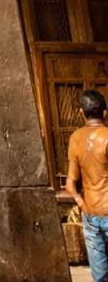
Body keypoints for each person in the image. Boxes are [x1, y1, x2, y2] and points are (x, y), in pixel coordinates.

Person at [66, 88, 108, 281]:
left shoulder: (75, 139)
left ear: (80, 113)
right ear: (105, 113)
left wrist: (81, 204)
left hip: (90, 212)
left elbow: (70, 184)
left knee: (100, 274)